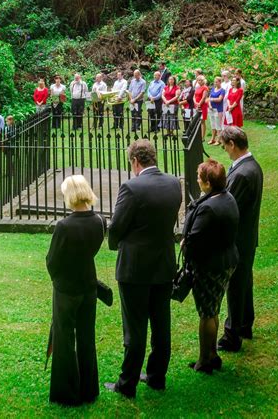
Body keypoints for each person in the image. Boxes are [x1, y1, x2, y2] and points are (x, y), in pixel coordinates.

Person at [105, 139, 181, 397]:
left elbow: (116, 228)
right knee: (161, 325)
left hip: (135, 268)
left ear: (135, 161)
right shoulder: (174, 183)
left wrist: (114, 243)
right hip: (163, 265)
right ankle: (157, 377)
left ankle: (127, 385)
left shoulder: (131, 187)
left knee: (135, 328)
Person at [46, 175, 105, 406]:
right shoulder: (99, 221)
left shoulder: (64, 226)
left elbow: (52, 260)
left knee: (64, 338)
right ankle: (89, 389)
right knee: (86, 337)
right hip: (88, 285)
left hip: (67, 288)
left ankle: (67, 392)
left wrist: (58, 279)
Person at [182, 160, 239, 374]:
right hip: (226, 261)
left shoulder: (208, 208)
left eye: (199, 176)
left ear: (207, 183)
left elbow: (194, 240)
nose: (196, 179)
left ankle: (205, 359)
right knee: (213, 308)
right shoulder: (228, 198)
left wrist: (185, 245)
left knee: (207, 313)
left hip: (211, 266)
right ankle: (212, 355)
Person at [218, 127, 263, 353]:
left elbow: (228, 207)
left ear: (233, 144)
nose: (224, 150)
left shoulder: (242, 174)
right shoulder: (252, 166)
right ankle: (245, 323)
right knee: (245, 282)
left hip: (238, 240)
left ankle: (232, 334)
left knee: (235, 286)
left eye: (225, 145)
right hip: (247, 237)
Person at [208, 77, 225, 144]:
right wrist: (209, 105)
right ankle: (213, 138)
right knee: (213, 124)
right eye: (214, 82)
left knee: (218, 124)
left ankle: (219, 139)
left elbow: (219, 99)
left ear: (220, 82)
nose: (215, 83)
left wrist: (212, 99)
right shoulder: (212, 89)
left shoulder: (222, 90)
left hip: (218, 110)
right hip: (211, 109)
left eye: (216, 82)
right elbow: (209, 98)